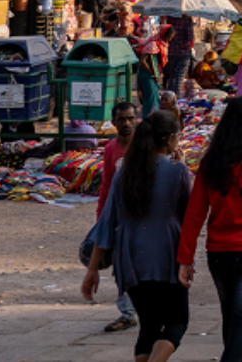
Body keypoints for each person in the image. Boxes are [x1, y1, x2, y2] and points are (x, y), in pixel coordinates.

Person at [176, 96, 242, 362]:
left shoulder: (211, 163)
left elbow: (195, 214)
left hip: (219, 251)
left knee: (231, 316)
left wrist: (185, 258)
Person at [83, 110, 192, 362]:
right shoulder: (177, 171)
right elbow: (189, 216)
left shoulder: (125, 173)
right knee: (177, 321)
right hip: (167, 258)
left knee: (149, 325)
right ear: (169, 139)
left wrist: (92, 269)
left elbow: (106, 223)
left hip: (130, 260)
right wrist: (181, 167)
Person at [96, 101, 142, 332]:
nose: (126, 123)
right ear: (113, 122)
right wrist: (102, 219)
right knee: (122, 266)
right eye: (122, 119)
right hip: (120, 218)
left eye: (130, 118)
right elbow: (106, 186)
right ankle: (127, 313)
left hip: (143, 216)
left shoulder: (144, 146)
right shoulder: (110, 150)